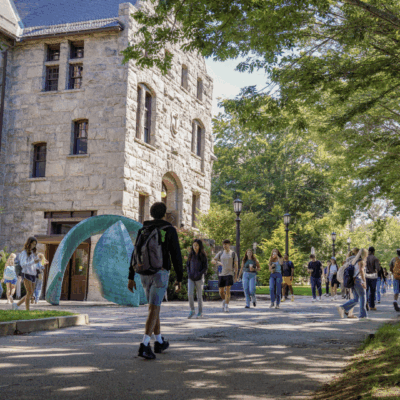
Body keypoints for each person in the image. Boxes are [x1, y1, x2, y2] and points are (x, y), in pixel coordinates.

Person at [128, 202, 183, 360]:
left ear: (151, 214)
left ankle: (159, 341)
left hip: (144, 273)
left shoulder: (143, 229)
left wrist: (131, 276)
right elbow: (176, 255)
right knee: (154, 308)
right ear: (164, 214)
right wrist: (179, 278)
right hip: (160, 272)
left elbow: (134, 253)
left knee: (154, 307)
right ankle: (144, 345)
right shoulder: (169, 229)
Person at [337, 248, 368, 320]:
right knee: (363, 297)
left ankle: (343, 307)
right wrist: (364, 282)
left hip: (353, 281)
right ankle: (363, 315)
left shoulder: (352, 260)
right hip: (358, 280)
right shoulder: (360, 260)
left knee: (356, 299)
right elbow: (361, 271)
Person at [12, 237, 42, 311]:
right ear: (29, 243)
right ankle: (27, 310)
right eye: (33, 244)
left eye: (35, 244)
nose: (34, 246)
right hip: (26, 273)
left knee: (31, 293)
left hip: (33, 274)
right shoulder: (24, 253)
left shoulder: (33, 253)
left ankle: (16, 305)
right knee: (29, 292)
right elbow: (23, 264)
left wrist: (39, 264)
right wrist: (33, 262)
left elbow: (35, 264)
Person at [212, 239, 238, 313]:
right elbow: (212, 260)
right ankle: (224, 300)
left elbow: (236, 265)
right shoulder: (220, 253)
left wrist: (236, 275)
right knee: (221, 291)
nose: (225, 246)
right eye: (223, 244)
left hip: (230, 274)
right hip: (221, 274)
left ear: (229, 245)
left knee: (227, 290)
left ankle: (226, 305)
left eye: (226, 244)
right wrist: (218, 262)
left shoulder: (233, 254)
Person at [186, 239, 208, 319]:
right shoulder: (190, 254)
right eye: (194, 245)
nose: (195, 247)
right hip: (191, 278)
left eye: (196, 245)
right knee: (190, 294)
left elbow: (205, 267)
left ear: (199, 246)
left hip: (199, 278)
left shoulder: (203, 255)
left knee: (199, 296)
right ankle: (192, 310)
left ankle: (200, 312)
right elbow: (187, 265)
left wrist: (199, 274)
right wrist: (189, 273)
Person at [365, 246, 380, 311]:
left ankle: (365, 303)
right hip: (373, 276)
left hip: (366, 276)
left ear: (368, 251)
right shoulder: (375, 258)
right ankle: (372, 306)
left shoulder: (365, 258)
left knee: (366, 290)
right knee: (372, 291)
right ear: (373, 252)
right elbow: (378, 268)